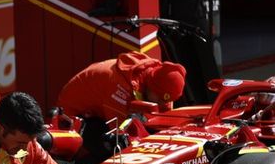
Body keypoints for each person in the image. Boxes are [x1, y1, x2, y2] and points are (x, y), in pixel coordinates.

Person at [56, 53, 187, 158]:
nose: (162, 104)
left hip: (100, 110)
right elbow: (121, 129)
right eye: (160, 99)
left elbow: (164, 114)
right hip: (73, 117)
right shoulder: (120, 85)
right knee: (115, 146)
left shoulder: (160, 77)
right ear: (151, 87)